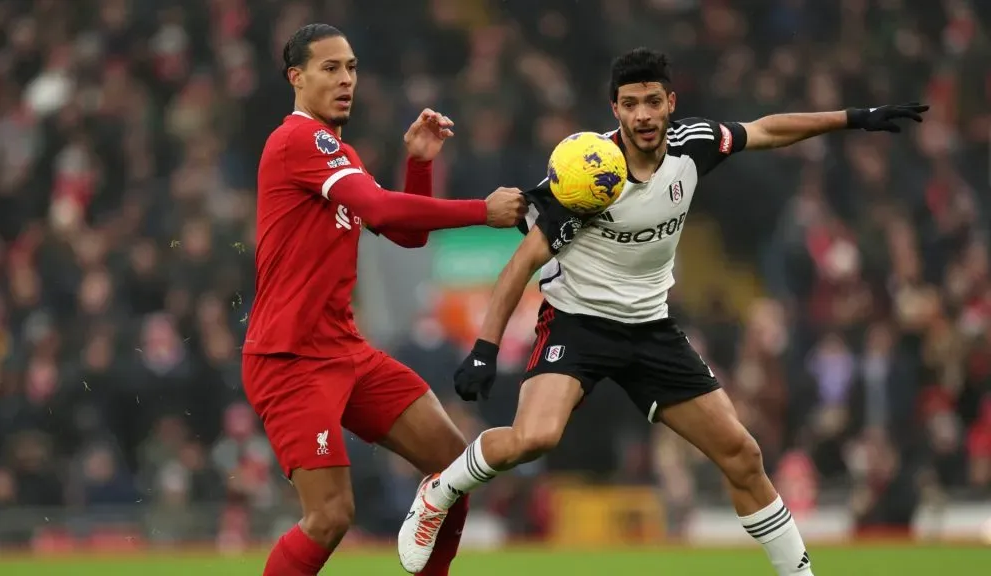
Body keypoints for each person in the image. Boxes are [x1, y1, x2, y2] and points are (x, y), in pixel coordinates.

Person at [397, 47, 928, 575]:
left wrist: (854, 118)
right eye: (631, 104)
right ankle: (440, 491)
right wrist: (484, 351)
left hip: (651, 329)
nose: (643, 115)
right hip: (577, 323)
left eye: (653, 101)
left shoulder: (694, 145)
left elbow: (766, 130)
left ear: (670, 102)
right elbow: (521, 264)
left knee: (742, 455)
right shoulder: (589, 175)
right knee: (534, 438)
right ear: (616, 110)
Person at [242, 23, 527, 576]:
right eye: (330, 68)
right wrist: (481, 211)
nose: (346, 79)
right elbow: (386, 213)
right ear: (295, 78)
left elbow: (405, 234)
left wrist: (419, 164)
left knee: (454, 475)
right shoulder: (298, 140)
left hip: (344, 349)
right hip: (291, 359)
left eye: (351, 67)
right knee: (329, 516)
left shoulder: (337, 152)